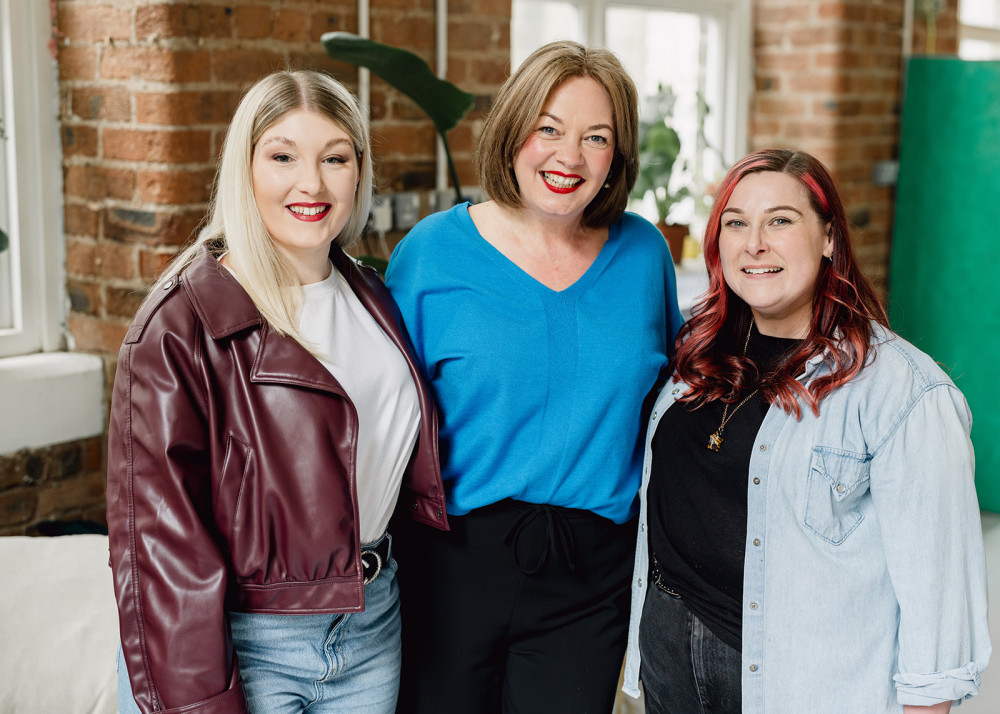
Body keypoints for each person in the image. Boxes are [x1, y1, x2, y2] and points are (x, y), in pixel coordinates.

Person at [106, 69, 447, 714]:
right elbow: (158, 548)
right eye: (283, 156)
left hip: (371, 624)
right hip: (244, 638)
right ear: (246, 168)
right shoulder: (180, 325)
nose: (311, 183)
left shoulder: (372, 296)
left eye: (335, 158)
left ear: (359, 171)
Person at [622, 148, 991, 714]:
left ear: (828, 239)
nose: (755, 243)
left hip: (797, 683)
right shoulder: (695, 349)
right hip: (668, 661)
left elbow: (940, 611)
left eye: (780, 221)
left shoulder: (905, 392)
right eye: (736, 222)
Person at [385, 41, 683, 713]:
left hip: (590, 577)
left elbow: (675, 398)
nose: (568, 156)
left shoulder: (643, 256)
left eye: (595, 137)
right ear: (514, 129)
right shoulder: (431, 255)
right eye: (548, 127)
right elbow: (379, 419)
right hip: (451, 563)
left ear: (617, 158)